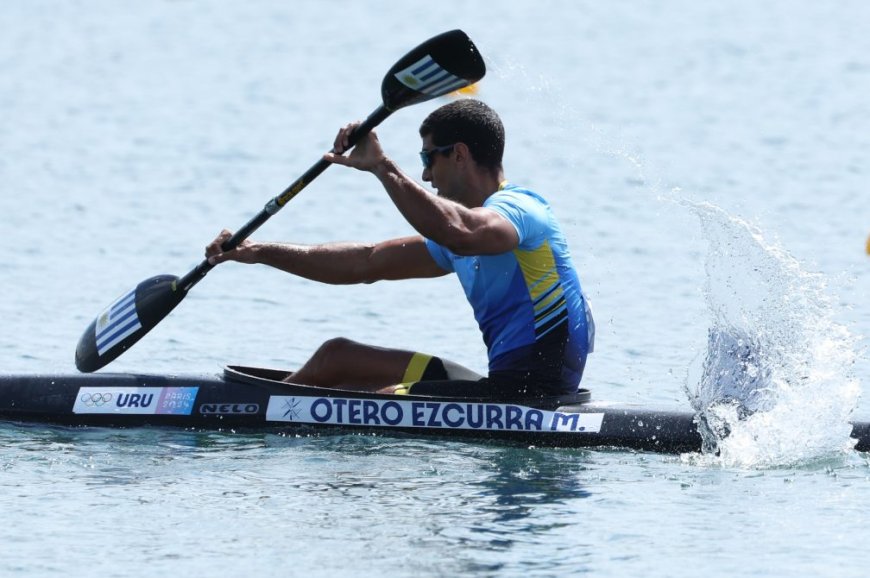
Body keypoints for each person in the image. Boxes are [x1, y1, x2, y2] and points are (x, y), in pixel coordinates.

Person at [205, 99, 594, 397]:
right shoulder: (455, 236)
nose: (425, 174)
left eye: (428, 158)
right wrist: (258, 252)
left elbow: (460, 230)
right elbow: (366, 262)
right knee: (336, 357)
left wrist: (382, 167)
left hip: (531, 393)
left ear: (458, 155)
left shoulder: (521, 211)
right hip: (500, 387)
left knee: (387, 400)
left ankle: (250, 421)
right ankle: (259, 409)